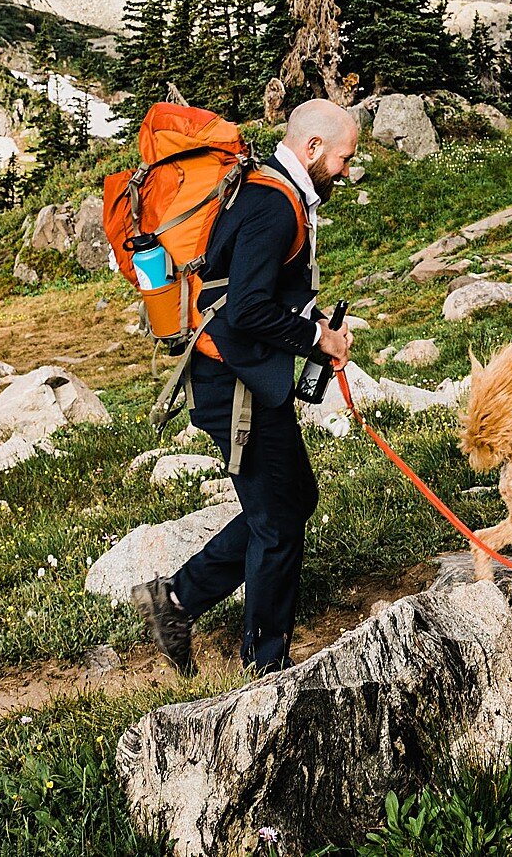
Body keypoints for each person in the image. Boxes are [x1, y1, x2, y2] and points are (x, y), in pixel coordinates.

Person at [140, 99, 358, 677]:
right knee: (278, 522)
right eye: (342, 158)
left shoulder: (271, 189)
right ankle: (265, 666)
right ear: (312, 149)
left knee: (291, 502)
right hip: (235, 384)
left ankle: (177, 599)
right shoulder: (275, 205)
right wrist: (319, 340)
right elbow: (247, 310)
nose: (345, 170)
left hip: (242, 377)